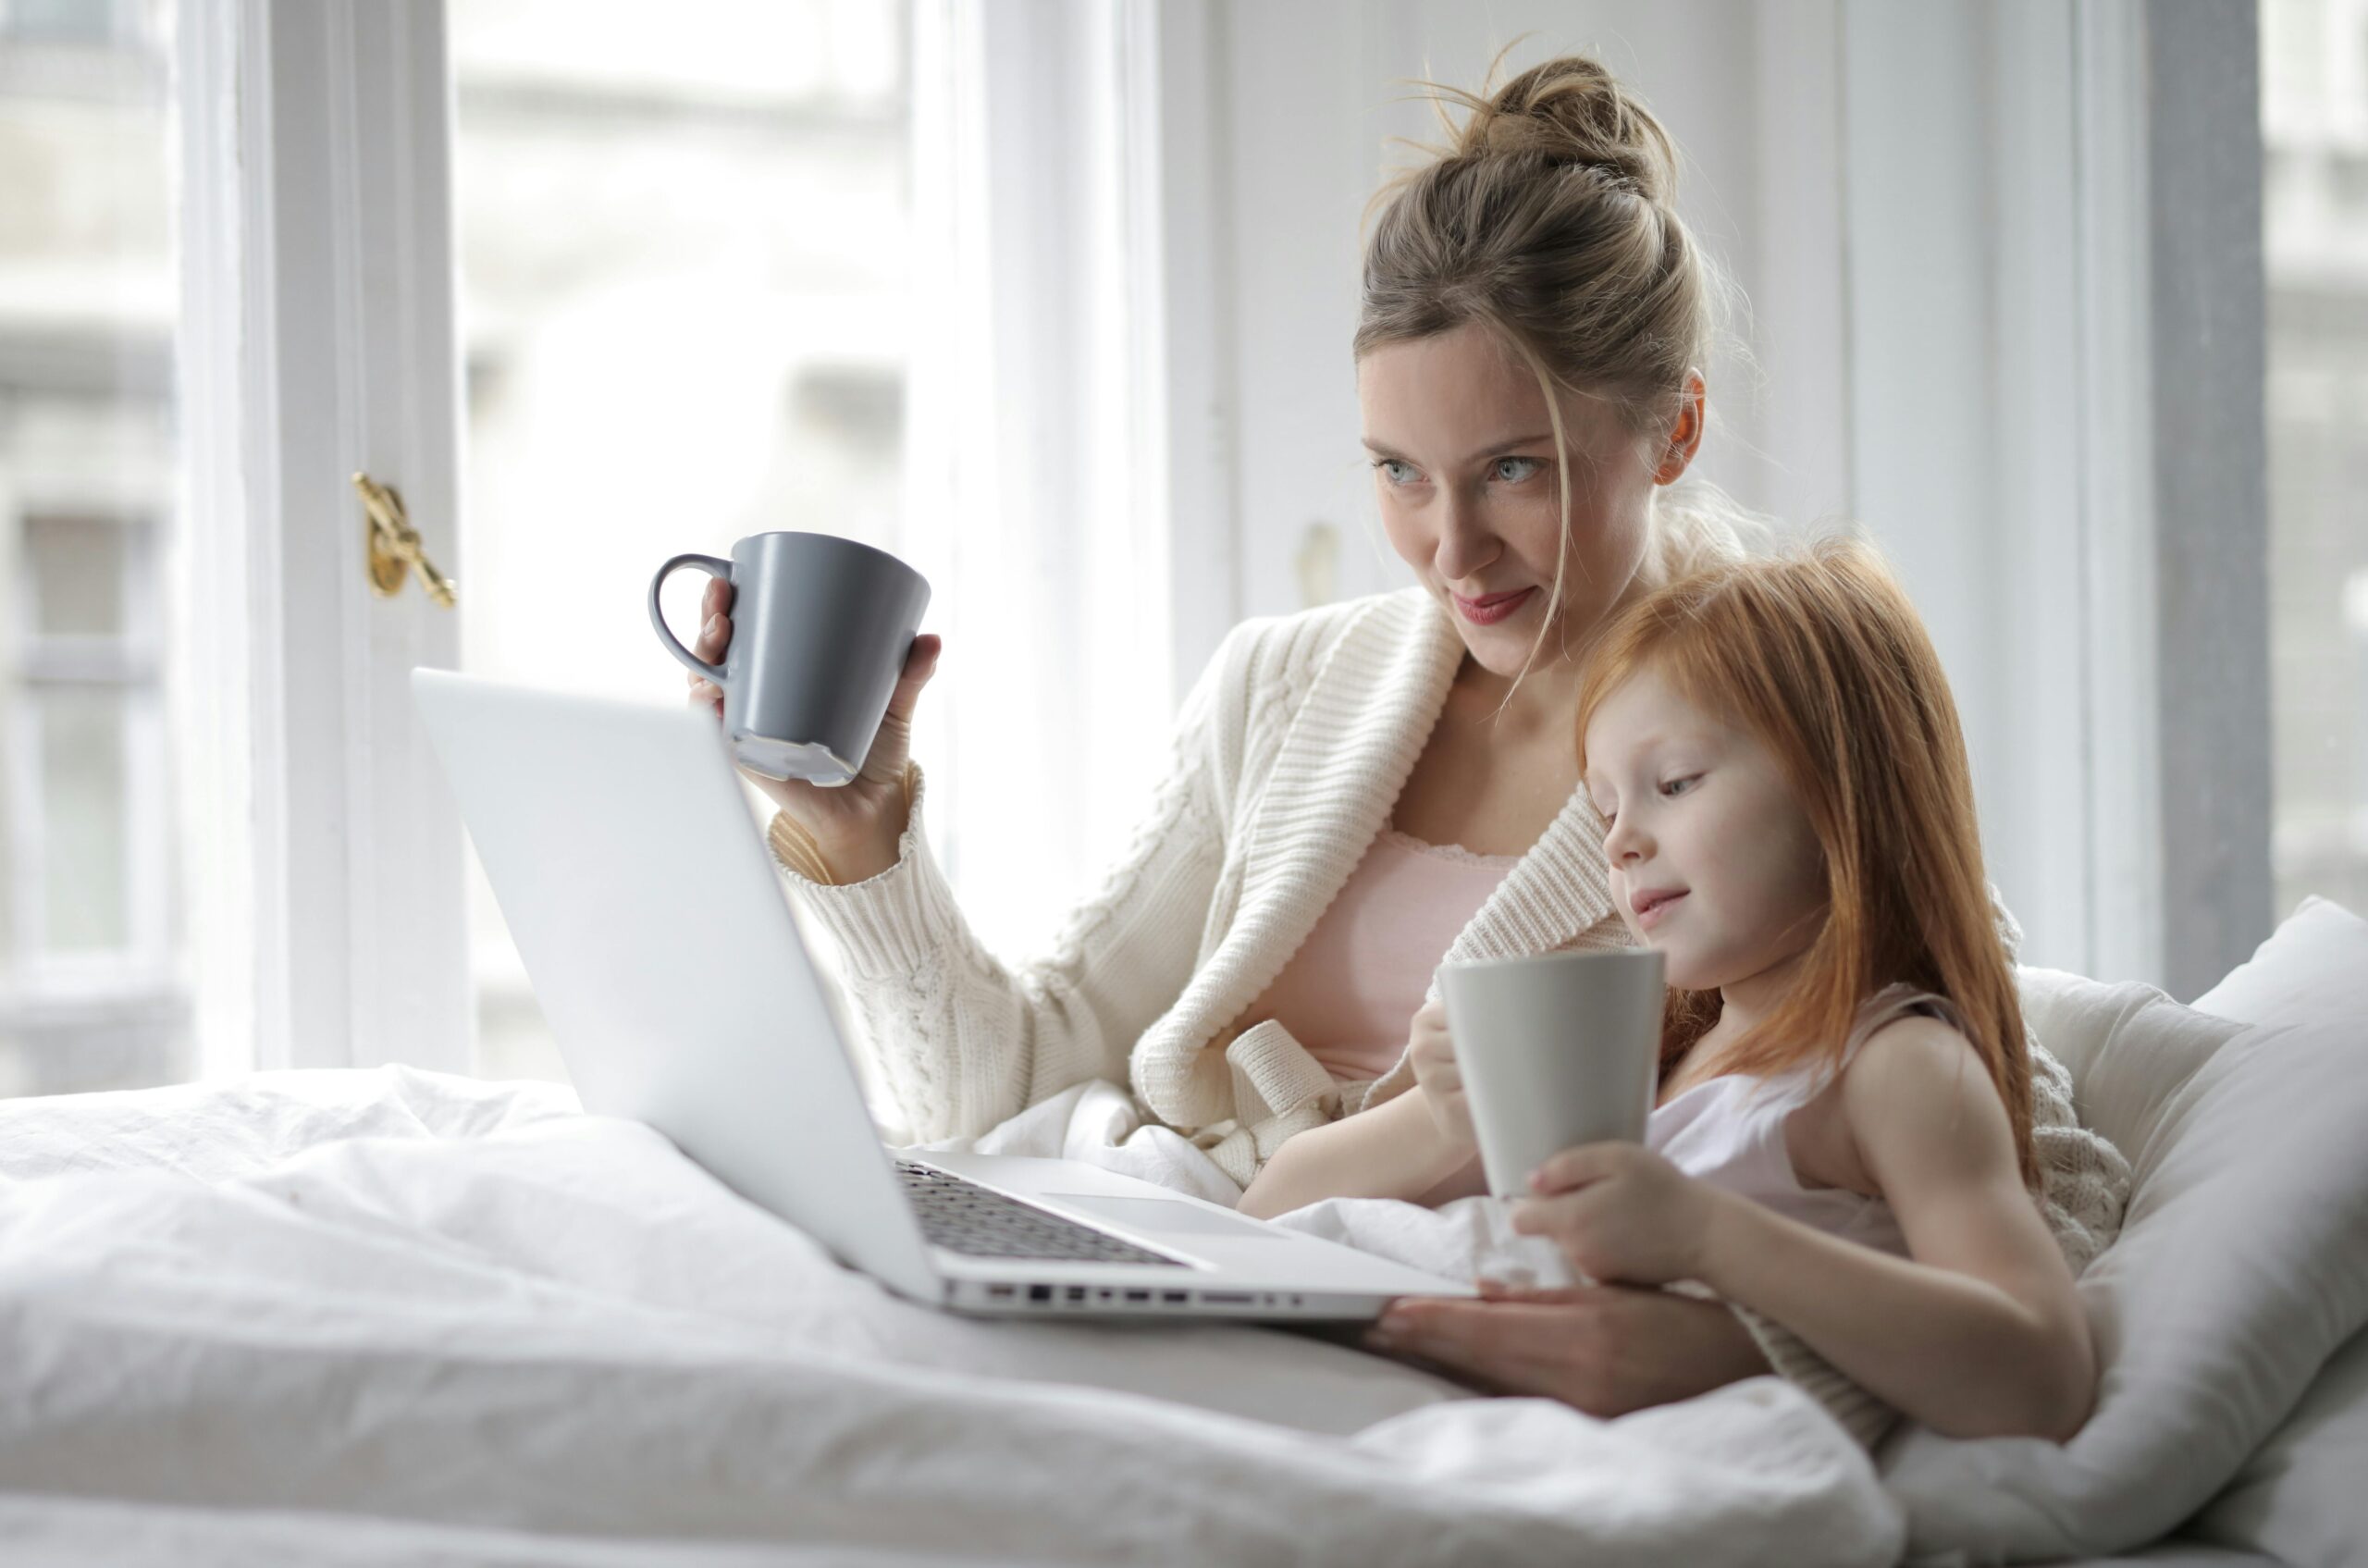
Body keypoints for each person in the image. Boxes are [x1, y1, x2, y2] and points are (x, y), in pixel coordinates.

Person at [686, 53, 2127, 1440]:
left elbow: (2036, 1183)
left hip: (1455, 1332)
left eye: (1515, 469)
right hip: (1191, 1239)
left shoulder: (1770, 718)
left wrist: (1735, 1348)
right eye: (1397, 473)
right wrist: (859, 836)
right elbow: (988, 1095)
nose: (1453, 549)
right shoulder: (1285, 684)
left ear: (1673, 428)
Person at [1273, 540, 2098, 1440]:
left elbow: (2041, 1375)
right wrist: (1442, 1122)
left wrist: (1706, 1239)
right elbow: (1268, 1213)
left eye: (1674, 784)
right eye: (1604, 809)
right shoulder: (1653, 1049)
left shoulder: (1894, 1066)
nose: (1620, 844)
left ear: (1846, 792)